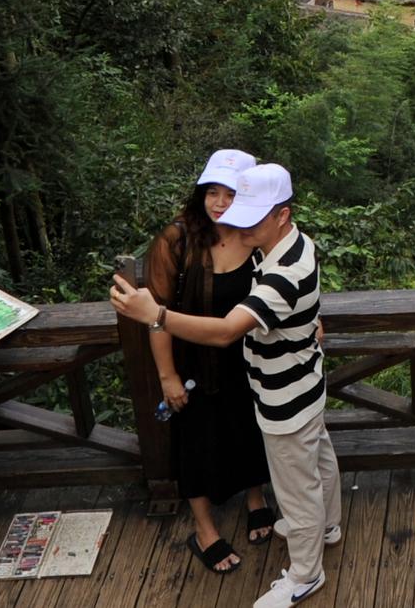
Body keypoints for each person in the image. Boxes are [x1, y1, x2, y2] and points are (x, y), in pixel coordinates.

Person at [113, 163, 337, 608]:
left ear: (282, 215)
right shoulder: (293, 246)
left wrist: (153, 314)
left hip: (284, 397)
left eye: (253, 214)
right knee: (320, 458)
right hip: (305, 381)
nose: (240, 222)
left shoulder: (281, 274)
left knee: (297, 489)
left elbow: (224, 332)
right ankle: (327, 526)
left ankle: (305, 575)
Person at [145, 149, 276, 574]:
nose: (219, 202)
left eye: (231, 193)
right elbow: (156, 313)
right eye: (211, 192)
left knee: (249, 431)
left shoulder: (256, 233)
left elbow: (285, 281)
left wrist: (313, 320)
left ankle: (256, 498)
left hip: (250, 357)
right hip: (193, 363)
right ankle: (204, 530)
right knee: (196, 445)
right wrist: (168, 376)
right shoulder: (178, 239)